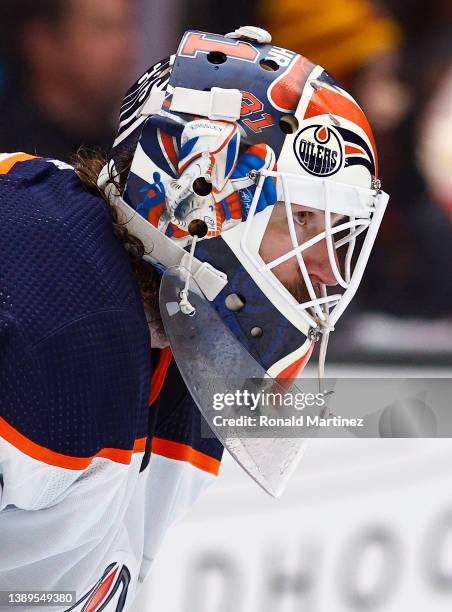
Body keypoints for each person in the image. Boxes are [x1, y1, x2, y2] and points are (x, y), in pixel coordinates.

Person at [0, 27, 388, 610]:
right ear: (200, 188)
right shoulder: (49, 299)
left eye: (338, 236)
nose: (327, 272)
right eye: (305, 220)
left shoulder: (186, 347)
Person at [0, 0, 137, 162]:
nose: (126, 50)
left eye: (125, 27)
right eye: (103, 29)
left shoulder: (129, 153)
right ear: (43, 43)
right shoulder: (12, 169)